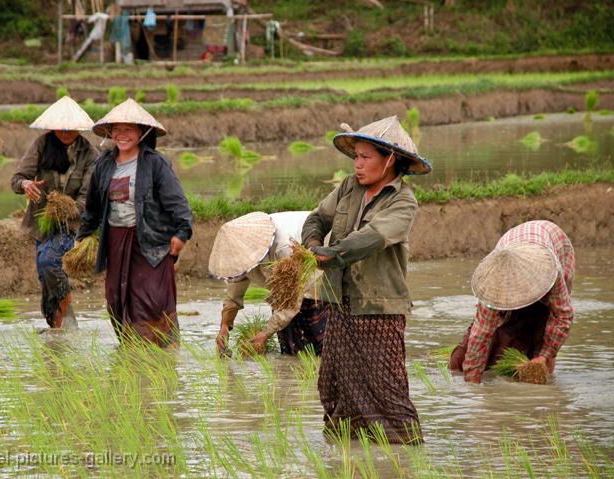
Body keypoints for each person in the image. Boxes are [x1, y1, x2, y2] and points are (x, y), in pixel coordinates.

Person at [301, 116, 432, 443]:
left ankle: (404, 451)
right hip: (340, 302)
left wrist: (333, 254)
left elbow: (372, 238)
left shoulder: (403, 201)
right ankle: (347, 449)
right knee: (334, 382)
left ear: (389, 160)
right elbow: (317, 218)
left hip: (379, 308)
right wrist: (313, 246)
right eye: (355, 156)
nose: (357, 164)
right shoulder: (348, 187)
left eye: (365, 157)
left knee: (384, 388)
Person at [76, 99, 193, 347]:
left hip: (151, 244)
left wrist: (182, 233)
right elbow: (93, 208)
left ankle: (164, 354)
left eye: (129, 129)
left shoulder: (155, 164)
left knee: (151, 301)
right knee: (117, 300)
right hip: (116, 242)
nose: (122, 135)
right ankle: (132, 353)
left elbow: (177, 203)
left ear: (142, 132)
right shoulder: (104, 165)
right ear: (110, 132)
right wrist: (82, 239)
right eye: (117, 129)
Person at [10, 96, 98, 329]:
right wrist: (26, 186)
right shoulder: (40, 145)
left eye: (71, 127)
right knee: (44, 274)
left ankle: (67, 318)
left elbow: (87, 197)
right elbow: (17, 179)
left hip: (71, 224)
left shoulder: (89, 154)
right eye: (62, 127)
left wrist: (67, 208)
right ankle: (57, 325)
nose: (67, 131)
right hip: (41, 225)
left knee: (50, 262)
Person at [449, 220, 575, 383]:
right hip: (512, 247)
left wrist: (544, 356)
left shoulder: (552, 271)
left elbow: (562, 317)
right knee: (496, 330)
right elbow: (481, 333)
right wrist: (472, 382)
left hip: (557, 246)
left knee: (542, 328)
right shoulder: (493, 281)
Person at [210, 211, 328, 356]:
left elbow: (291, 303)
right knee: (292, 349)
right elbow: (234, 292)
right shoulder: (241, 255)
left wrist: (265, 334)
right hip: (287, 289)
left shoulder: (285, 248)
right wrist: (224, 326)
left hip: (316, 273)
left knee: (323, 344)